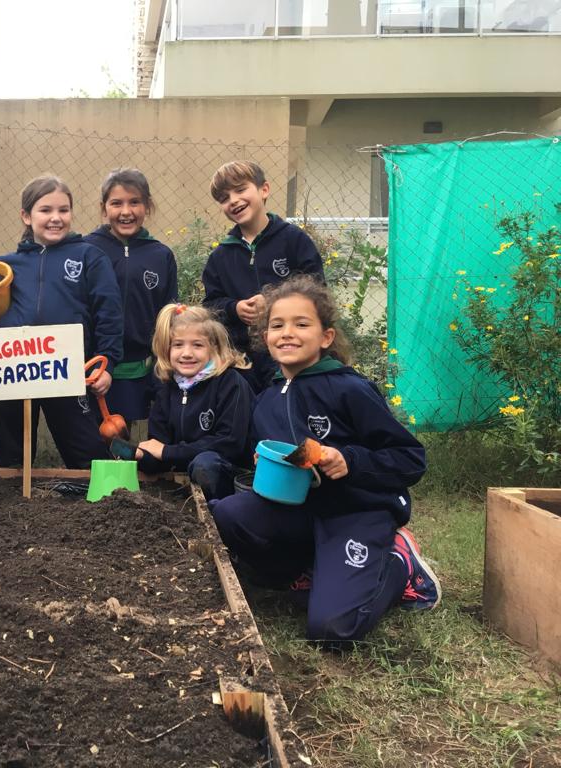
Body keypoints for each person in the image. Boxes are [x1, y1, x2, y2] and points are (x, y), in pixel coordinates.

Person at [209, 275, 439, 645]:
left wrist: (349, 460)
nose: (287, 333)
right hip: (301, 511)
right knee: (228, 513)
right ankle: (308, 569)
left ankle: (401, 565)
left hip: (356, 511)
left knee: (332, 630)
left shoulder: (349, 388)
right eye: (277, 325)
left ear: (326, 337)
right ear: (265, 337)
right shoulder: (267, 398)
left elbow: (410, 458)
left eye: (302, 324)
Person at [0, 174, 123, 469]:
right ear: (26, 216)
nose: (55, 218)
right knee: (12, 457)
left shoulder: (90, 257)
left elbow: (109, 315)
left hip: (69, 371)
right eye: (45, 210)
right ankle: (12, 508)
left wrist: (108, 364)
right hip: (16, 372)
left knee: (87, 453)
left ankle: (100, 507)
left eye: (63, 210)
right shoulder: (5, 265)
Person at [201, 160, 324, 391]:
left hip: (290, 354)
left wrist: (272, 302)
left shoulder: (294, 240)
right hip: (241, 361)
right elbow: (211, 305)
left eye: (240, 190)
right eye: (224, 198)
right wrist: (234, 308)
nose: (234, 200)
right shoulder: (220, 256)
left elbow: (316, 288)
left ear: (264, 189)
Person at [84, 168, 178, 422]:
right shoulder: (87, 250)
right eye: (117, 203)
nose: (126, 212)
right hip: (94, 367)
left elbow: (168, 315)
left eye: (135, 202)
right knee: (96, 440)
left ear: (148, 206)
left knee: (128, 437)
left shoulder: (161, 255)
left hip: (141, 368)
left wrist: (164, 362)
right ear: (104, 208)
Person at [135, 304, 253, 501]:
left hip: (232, 478)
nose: (187, 353)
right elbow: (160, 447)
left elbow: (230, 443)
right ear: (167, 349)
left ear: (213, 348)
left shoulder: (230, 383)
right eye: (178, 345)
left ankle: (218, 517)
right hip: (184, 482)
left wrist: (167, 451)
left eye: (197, 345)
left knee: (204, 464)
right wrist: (143, 456)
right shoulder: (167, 391)